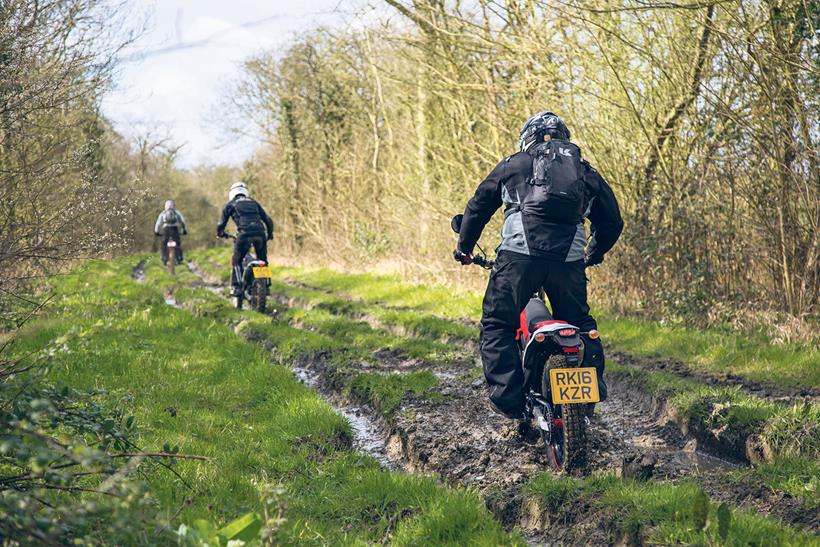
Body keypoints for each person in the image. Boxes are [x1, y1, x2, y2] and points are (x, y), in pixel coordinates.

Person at [453, 111, 623, 439]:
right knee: (581, 325)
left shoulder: (514, 163)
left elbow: (477, 206)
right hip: (568, 262)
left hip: (519, 259)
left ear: (526, 137)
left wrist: (465, 246)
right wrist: (593, 253)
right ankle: (586, 397)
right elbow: (612, 222)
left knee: (497, 323)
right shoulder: (584, 172)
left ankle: (511, 401)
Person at [216, 182, 274, 296]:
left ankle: (237, 287)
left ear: (232, 193)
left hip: (244, 234)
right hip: (260, 233)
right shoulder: (254, 202)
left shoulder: (230, 205)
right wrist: (270, 234)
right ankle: (266, 285)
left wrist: (220, 233)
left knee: (236, 260)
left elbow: (221, 223)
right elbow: (268, 220)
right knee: (262, 258)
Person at [154, 200, 188, 264]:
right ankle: (179, 257)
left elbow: (158, 224)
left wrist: (157, 232)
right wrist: (184, 230)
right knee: (177, 243)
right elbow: (182, 222)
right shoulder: (176, 213)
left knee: (164, 244)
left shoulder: (163, 213)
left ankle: (164, 258)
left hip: (166, 229)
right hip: (175, 229)